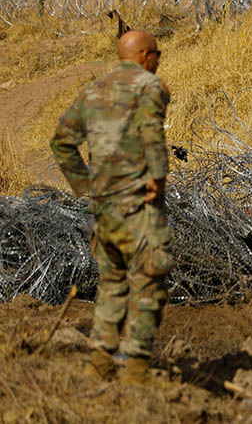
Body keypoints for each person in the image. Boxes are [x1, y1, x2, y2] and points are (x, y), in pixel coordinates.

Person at [50, 29, 171, 386]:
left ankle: (99, 366)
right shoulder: (150, 85)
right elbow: (152, 130)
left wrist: (88, 187)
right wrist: (158, 177)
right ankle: (135, 373)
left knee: (112, 284)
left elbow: (61, 143)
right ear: (146, 56)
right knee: (149, 283)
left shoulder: (93, 90)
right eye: (157, 54)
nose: (158, 61)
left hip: (105, 210)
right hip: (139, 205)